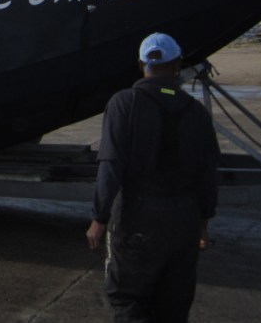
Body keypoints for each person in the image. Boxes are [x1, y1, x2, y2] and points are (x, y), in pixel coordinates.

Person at [86, 32, 220, 322]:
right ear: (177, 65)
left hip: (137, 217)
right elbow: (208, 173)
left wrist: (99, 218)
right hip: (184, 219)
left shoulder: (124, 103)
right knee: (174, 305)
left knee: (129, 301)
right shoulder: (196, 112)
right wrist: (203, 223)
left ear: (141, 65)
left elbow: (111, 164)